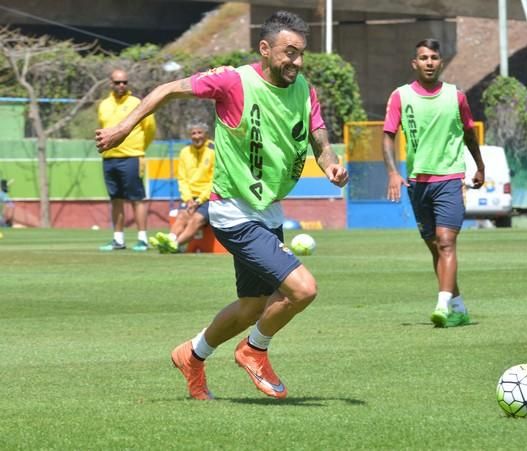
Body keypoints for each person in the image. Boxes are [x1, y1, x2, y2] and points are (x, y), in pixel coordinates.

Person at [95, 11, 348, 400]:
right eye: (289, 52)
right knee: (303, 290)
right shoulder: (233, 81)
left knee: (251, 306)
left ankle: (192, 355)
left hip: (268, 212)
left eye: (301, 54)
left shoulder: (304, 90)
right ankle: (254, 349)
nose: (296, 62)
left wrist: (329, 161)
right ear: (264, 49)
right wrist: (124, 127)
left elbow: (318, 135)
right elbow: (166, 90)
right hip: (234, 211)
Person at [382, 39, 485, 328]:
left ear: (441, 63)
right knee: (435, 248)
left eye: (434, 58)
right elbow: (388, 134)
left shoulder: (456, 96)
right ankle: (459, 307)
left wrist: (480, 165)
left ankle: (441, 305)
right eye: (423, 58)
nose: (429, 62)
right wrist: (392, 171)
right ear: (414, 63)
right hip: (418, 183)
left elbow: (469, 134)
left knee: (446, 242)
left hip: (451, 179)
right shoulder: (401, 96)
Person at [97, 69, 157, 252]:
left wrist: (138, 150)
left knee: (137, 199)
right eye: (117, 82)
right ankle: (118, 239)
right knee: (116, 199)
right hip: (109, 158)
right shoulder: (103, 105)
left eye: (124, 82)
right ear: (111, 83)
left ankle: (142, 239)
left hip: (132, 157)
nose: (121, 85)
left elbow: (150, 130)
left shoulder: (137, 103)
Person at [150, 122, 216, 254]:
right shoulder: (185, 152)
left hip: (210, 197)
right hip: (191, 198)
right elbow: (182, 179)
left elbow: (214, 181)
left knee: (196, 219)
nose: (196, 136)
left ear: (206, 135)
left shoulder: (214, 150)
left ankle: (174, 244)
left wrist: (199, 201)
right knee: (182, 216)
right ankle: (170, 239)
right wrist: (188, 199)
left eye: (199, 133)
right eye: (193, 133)